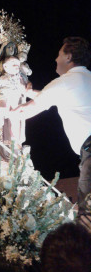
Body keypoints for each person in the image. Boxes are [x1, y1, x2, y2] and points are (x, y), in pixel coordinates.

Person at [11, 37, 91, 216]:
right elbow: (53, 97)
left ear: (69, 57)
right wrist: (29, 92)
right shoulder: (84, 79)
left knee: (87, 213)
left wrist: (4, 111)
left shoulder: (66, 81)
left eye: (59, 54)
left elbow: (28, 110)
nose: (56, 59)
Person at [0, 56, 36, 152]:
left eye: (17, 63)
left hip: (14, 98)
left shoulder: (21, 77)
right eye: (13, 62)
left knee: (15, 119)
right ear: (5, 67)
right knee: (1, 109)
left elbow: (28, 83)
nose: (16, 64)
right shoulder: (3, 78)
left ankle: (15, 141)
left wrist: (29, 87)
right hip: (3, 96)